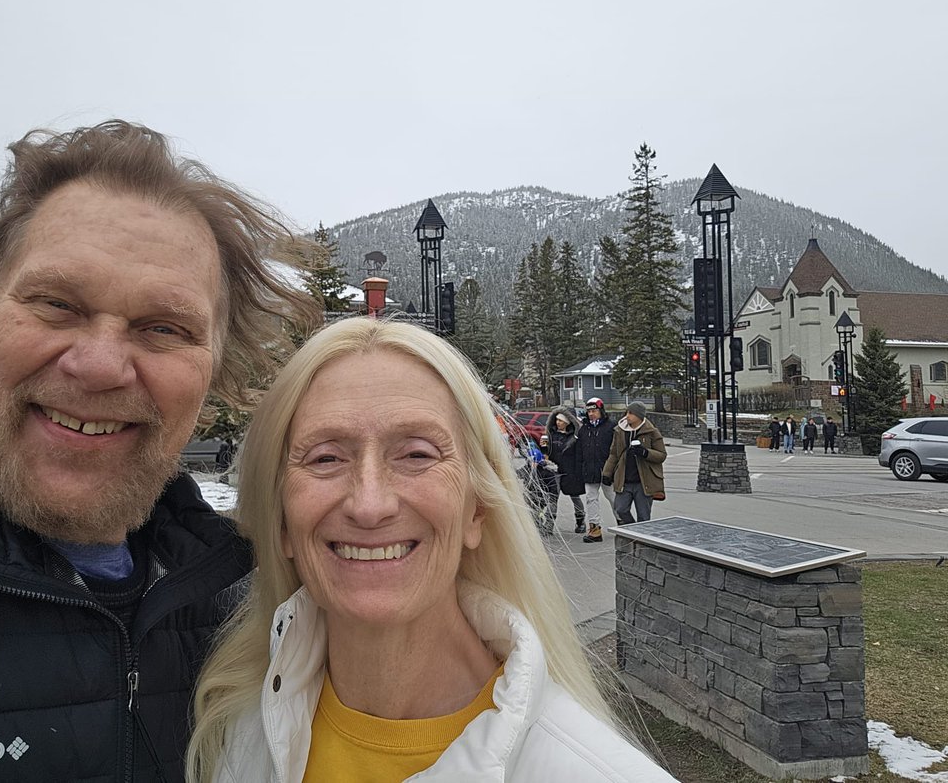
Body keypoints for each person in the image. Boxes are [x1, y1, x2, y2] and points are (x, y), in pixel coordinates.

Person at [0, 121, 320, 782]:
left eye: (163, 328)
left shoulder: (253, 616)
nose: (101, 365)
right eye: (57, 304)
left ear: (212, 372)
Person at [186, 318, 678, 783]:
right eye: (326, 457)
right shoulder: (235, 732)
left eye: (417, 454)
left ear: (476, 510)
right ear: (282, 521)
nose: (370, 504)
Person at [601, 402, 667, 525]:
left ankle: (641, 541)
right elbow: (613, 454)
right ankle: (632, 530)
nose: (627, 416)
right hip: (624, 480)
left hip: (643, 482)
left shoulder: (651, 431)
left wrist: (645, 452)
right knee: (620, 509)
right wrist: (607, 473)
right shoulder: (620, 431)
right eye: (627, 412)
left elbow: (662, 455)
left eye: (631, 413)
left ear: (639, 415)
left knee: (643, 516)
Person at [577, 396, 616, 543]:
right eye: (589, 411)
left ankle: (623, 523)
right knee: (590, 498)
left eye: (594, 410)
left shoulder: (611, 427)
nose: (591, 414)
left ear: (601, 411)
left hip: (607, 469)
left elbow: (616, 450)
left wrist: (614, 470)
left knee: (612, 497)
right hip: (589, 469)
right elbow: (579, 451)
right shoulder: (584, 429)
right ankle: (594, 529)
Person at [543, 408, 585, 533]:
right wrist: (544, 450)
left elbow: (579, 454)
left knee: (575, 496)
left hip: (570, 471)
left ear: (567, 422)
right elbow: (545, 451)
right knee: (553, 497)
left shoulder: (574, 437)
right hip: (555, 470)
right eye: (556, 420)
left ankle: (580, 521)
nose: (557, 423)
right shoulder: (551, 434)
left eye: (560, 420)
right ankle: (549, 524)